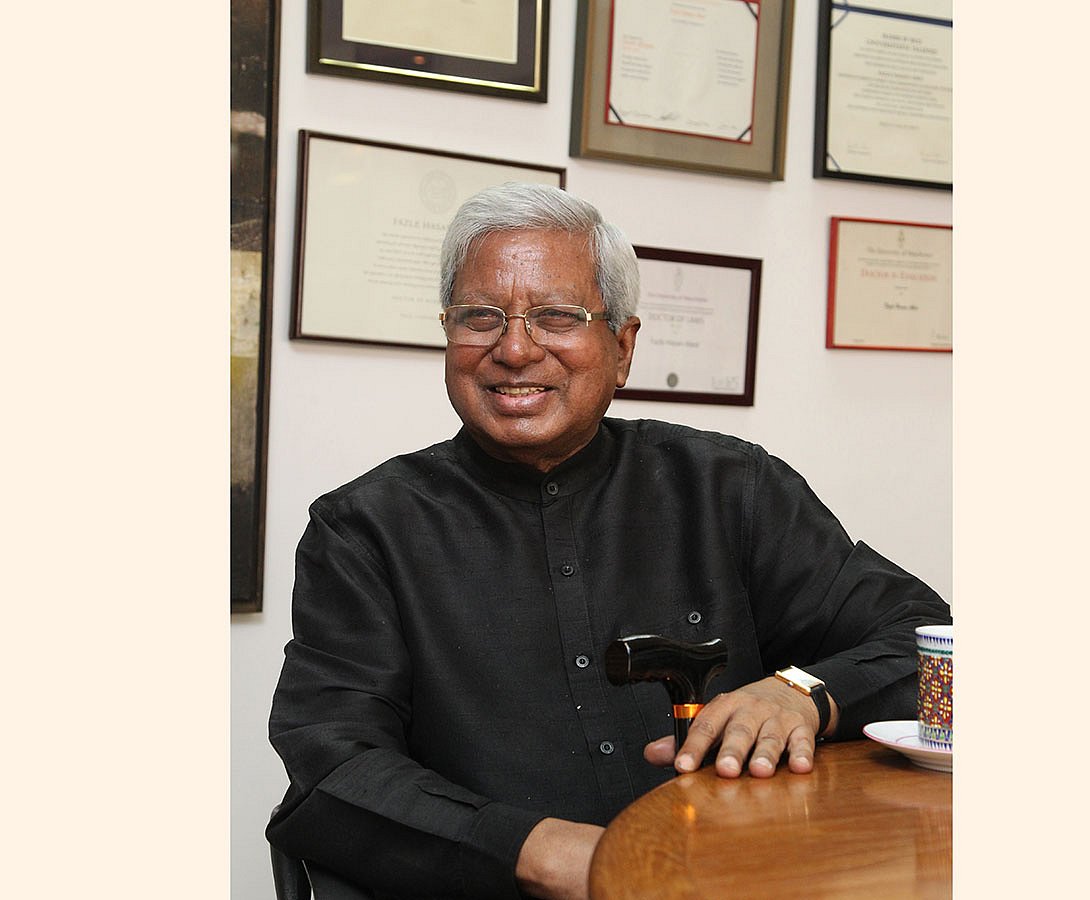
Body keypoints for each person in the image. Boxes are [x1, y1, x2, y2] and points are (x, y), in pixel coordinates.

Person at [267, 183, 951, 899]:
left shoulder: (731, 489)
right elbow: (334, 764)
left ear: (621, 347)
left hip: (724, 880)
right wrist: (539, 851)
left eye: (557, 316)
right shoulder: (363, 530)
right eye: (481, 317)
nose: (515, 348)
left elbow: (930, 650)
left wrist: (803, 694)